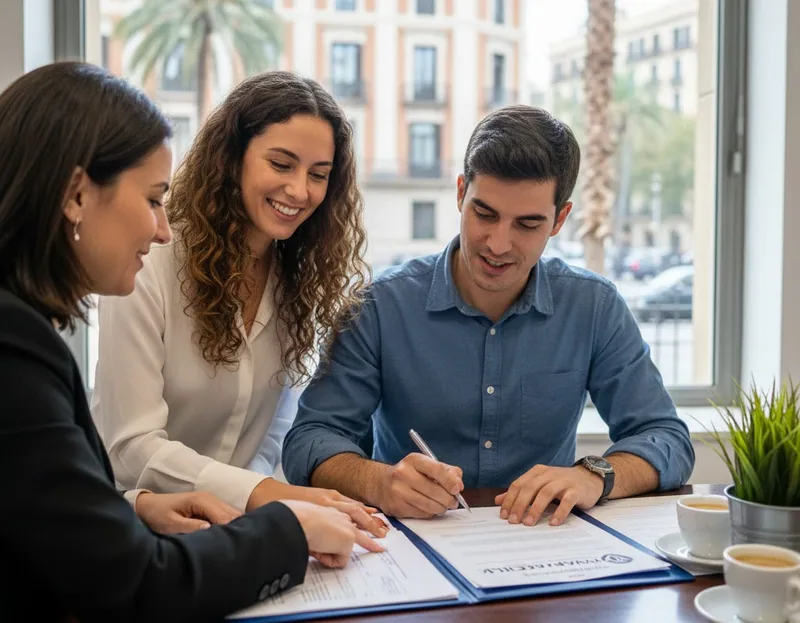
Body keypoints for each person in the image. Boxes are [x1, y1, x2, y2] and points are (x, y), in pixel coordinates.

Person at [0, 61, 381, 623]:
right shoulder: (16, 347)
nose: (161, 227)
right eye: (154, 198)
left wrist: (140, 508)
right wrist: (281, 523)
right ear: (77, 195)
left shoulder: (24, 331)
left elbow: (48, 521)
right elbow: (129, 579)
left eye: (319, 174)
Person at [283, 105, 695, 527]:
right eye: (485, 214)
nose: (498, 244)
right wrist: (379, 481)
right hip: (412, 547)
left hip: (542, 546)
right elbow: (308, 442)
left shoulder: (594, 307)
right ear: (461, 193)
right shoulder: (381, 306)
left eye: (527, 224)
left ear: (560, 220)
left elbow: (668, 440)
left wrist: (596, 475)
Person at [90, 71, 385, 536]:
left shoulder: (299, 279)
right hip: (133, 528)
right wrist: (269, 496)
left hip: (236, 532)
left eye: (318, 175)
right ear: (232, 159)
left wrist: (268, 505)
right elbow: (130, 447)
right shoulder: (151, 259)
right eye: (281, 164)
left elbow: (272, 433)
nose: (300, 190)